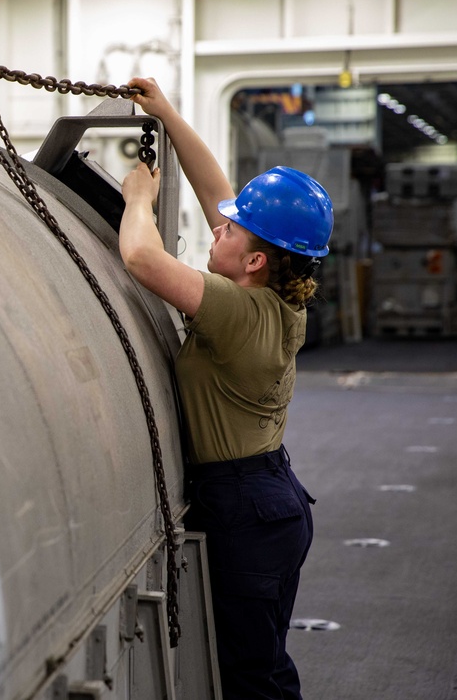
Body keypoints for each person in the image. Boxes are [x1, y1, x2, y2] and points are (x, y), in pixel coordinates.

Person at [119, 77, 332, 700]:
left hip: (247, 508)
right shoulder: (265, 293)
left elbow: (141, 259)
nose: (219, 227)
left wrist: (138, 198)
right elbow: (218, 194)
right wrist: (167, 114)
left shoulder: (237, 313)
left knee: (251, 677)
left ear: (257, 258)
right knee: (257, 663)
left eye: (231, 232)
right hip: (266, 500)